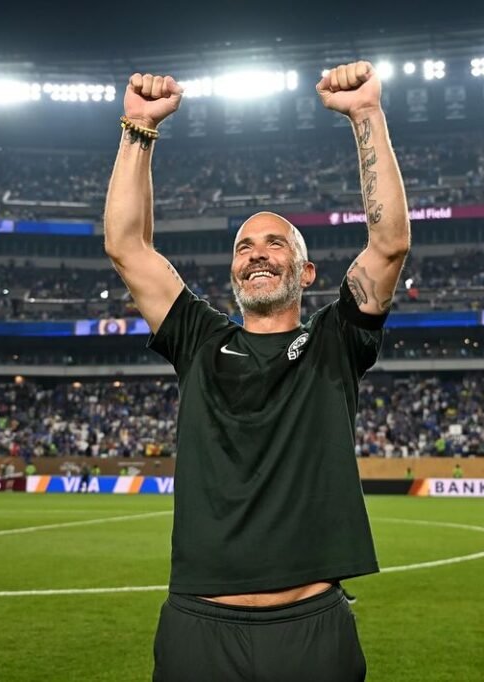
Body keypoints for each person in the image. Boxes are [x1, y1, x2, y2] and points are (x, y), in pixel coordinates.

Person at [105, 62, 409, 681]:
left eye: (275, 244)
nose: (257, 254)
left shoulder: (335, 340)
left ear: (306, 271)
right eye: (244, 246)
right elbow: (127, 247)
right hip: (198, 626)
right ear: (234, 271)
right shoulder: (199, 338)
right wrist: (138, 127)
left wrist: (366, 114)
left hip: (310, 628)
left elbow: (389, 245)